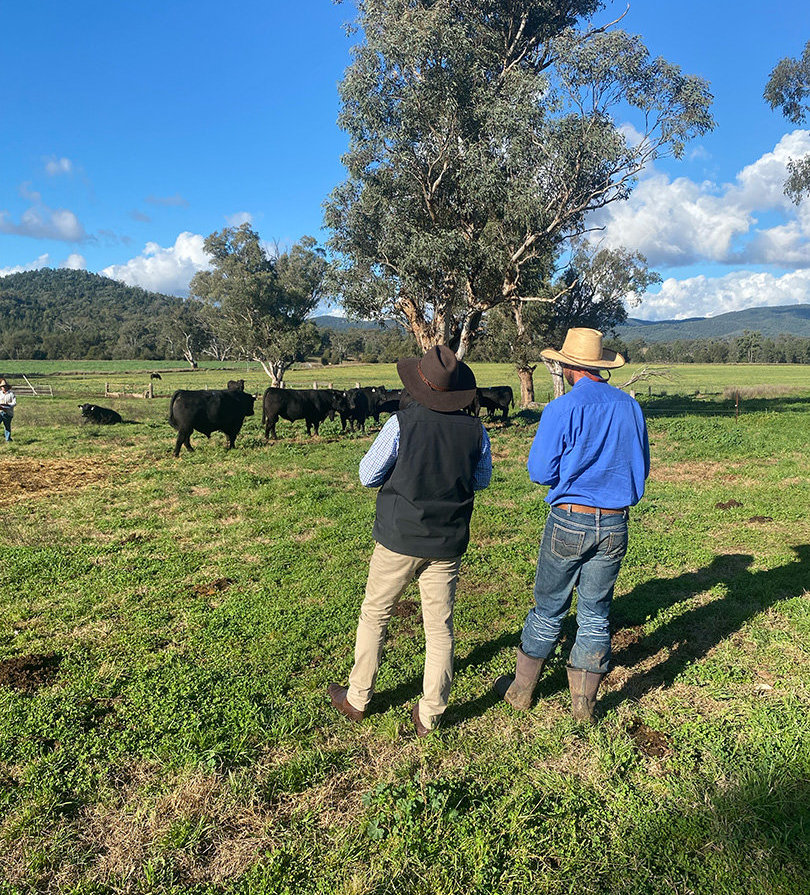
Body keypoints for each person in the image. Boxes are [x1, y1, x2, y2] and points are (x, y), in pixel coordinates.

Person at [329, 345, 492, 736]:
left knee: (375, 614)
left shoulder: (400, 425)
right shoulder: (476, 430)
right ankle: (431, 713)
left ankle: (358, 697)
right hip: (447, 542)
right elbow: (481, 480)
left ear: (420, 386)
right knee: (440, 628)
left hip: (398, 538)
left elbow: (368, 474)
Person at [495, 328, 649, 722]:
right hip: (616, 522)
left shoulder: (561, 409)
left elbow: (539, 470)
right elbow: (641, 468)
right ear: (599, 367)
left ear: (568, 367)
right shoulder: (630, 407)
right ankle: (584, 705)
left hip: (570, 518)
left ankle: (521, 691)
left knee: (549, 608)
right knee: (596, 612)